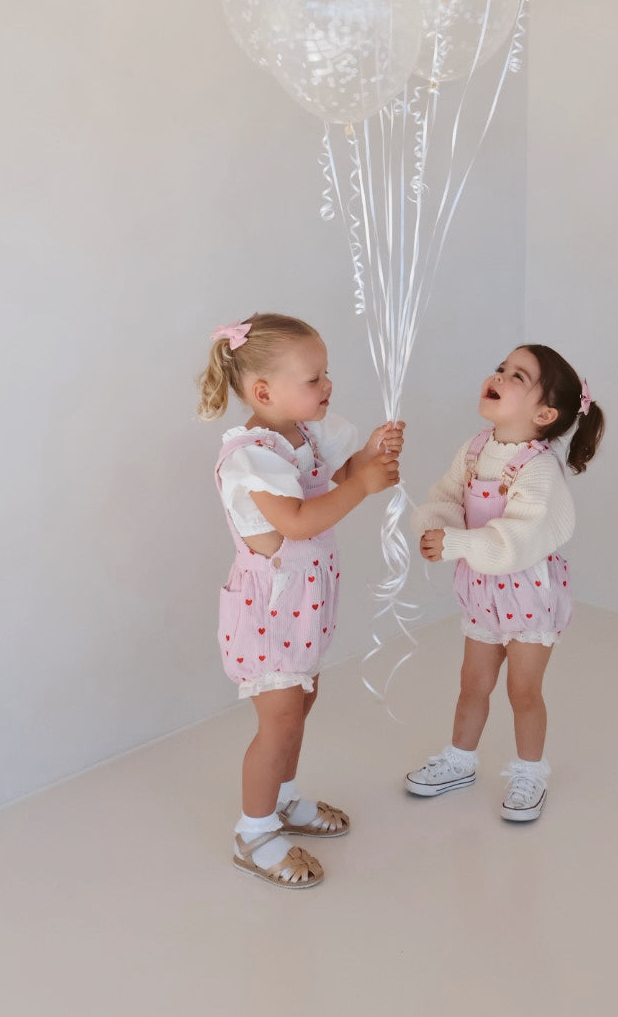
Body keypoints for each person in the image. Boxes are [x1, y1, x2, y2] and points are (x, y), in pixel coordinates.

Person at [198, 311, 403, 887]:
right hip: (269, 611)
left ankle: (283, 798)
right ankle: (254, 831)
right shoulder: (251, 456)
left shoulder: (304, 433)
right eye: (314, 379)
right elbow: (298, 521)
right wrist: (362, 486)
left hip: (303, 605)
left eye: (325, 373)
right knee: (279, 722)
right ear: (265, 392)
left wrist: (369, 457)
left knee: (300, 708)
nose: (328, 385)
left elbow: (336, 476)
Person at [406, 345, 602, 822]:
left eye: (518, 376)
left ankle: (530, 772)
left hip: (527, 591)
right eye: (501, 368)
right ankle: (460, 760)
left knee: (522, 690)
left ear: (544, 414)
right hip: (483, 589)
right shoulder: (476, 447)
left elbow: (521, 535)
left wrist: (458, 543)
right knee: (472, 682)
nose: (498, 376)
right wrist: (436, 528)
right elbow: (447, 496)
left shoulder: (538, 467)